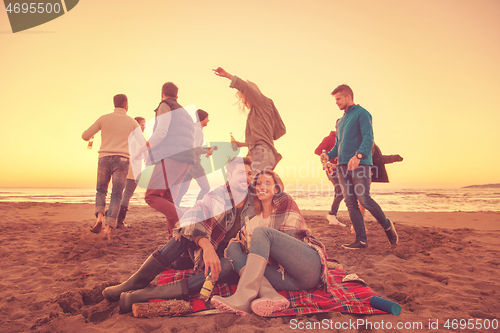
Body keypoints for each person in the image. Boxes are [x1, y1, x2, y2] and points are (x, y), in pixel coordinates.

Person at [102, 157, 257, 314]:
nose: (247, 177)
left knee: (224, 266)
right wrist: (206, 246)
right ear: (229, 175)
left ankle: (141, 295)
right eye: (241, 173)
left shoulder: (257, 200)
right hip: (210, 250)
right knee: (183, 235)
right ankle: (134, 283)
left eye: (250, 173)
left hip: (233, 257)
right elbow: (193, 216)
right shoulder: (218, 195)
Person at [211, 170, 330, 317]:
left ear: (276, 188)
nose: (262, 186)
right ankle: (272, 295)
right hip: (287, 280)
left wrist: (263, 248)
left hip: (307, 267)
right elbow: (239, 245)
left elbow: (294, 237)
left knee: (262, 233)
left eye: (267, 183)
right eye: (258, 184)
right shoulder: (253, 221)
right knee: (233, 247)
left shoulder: (285, 202)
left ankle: (243, 296)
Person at [321, 84, 398, 250]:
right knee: (350, 203)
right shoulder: (340, 122)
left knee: (364, 199)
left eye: (338, 99)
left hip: (360, 164)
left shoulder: (362, 113)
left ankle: (387, 225)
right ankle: (361, 240)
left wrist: (358, 156)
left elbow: (368, 138)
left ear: (348, 97)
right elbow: (338, 146)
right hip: (342, 167)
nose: (336, 102)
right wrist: (328, 155)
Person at [82, 94, 139, 240]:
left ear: (114, 104)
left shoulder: (104, 118)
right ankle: (108, 228)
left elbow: (85, 136)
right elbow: (142, 143)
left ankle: (99, 218)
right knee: (117, 194)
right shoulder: (132, 122)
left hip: (104, 158)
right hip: (122, 160)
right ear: (126, 105)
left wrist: (92, 137)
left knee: (101, 190)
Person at [143, 82, 195, 237]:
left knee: (151, 196)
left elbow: (161, 132)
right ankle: (175, 238)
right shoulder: (185, 112)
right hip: (186, 161)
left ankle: (188, 220)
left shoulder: (165, 105)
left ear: (162, 93)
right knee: (167, 199)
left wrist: (145, 147)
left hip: (173, 157)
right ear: (177, 96)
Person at [213, 67, 286, 173]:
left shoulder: (263, 102)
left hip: (261, 154)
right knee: (251, 185)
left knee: (250, 184)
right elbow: (260, 139)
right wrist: (241, 144)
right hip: (260, 153)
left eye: (243, 98)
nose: (243, 102)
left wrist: (228, 76)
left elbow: (246, 88)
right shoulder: (259, 112)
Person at [175, 109, 212, 207]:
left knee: (183, 188)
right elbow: (194, 149)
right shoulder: (198, 130)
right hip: (194, 163)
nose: (208, 120)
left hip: (188, 162)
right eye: (207, 118)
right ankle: (197, 207)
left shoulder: (193, 128)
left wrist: (206, 150)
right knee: (206, 187)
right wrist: (206, 151)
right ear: (203, 118)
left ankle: (174, 206)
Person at [115, 117, 146, 228]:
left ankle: (111, 213)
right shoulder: (138, 138)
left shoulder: (129, 137)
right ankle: (120, 222)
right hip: (133, 170)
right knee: (127, 195)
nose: (144, 126)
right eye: (143, 124)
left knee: (124, 194)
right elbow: (136, 154)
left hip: (125, 168)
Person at [314, 123, 346, 227]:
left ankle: (333, 217)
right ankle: (332, 214)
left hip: (341, 169)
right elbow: (317, 151)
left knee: (339, 192)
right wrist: (327, 160)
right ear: (337, 127)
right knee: (341, 191)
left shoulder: (344, 138)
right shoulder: (329, 138)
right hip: (331, 169)